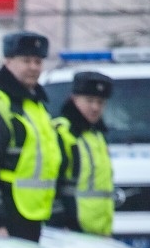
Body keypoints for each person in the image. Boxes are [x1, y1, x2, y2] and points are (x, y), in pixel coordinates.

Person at [0, 30, 62, 242]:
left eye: (38, 62)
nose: (33, 67)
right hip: (5, 217)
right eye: (26, 61)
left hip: (32, 216)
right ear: (8, 61)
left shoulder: (35, 105)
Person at [48, 71, 115, 236]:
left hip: (99, 231)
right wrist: (58, 223)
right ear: (74, 99)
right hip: (71, 230)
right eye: (89, 100)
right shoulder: (62, 132)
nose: (95, 107)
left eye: (100, 102)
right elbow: (52, 182)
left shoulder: (97, 136)